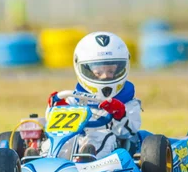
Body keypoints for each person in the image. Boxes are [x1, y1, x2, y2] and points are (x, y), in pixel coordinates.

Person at [44, 32, 142, 161]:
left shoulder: (128, 101)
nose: (105, 76)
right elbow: (52, 125)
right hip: (77, 139)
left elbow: (128, 132)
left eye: (111, 71)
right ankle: (42, 160)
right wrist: (58, 108)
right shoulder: (74, 98)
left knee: (100, 137)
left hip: (113, 144)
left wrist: (119, 113)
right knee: (64, 139)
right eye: (98, 72)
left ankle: (87, 160)